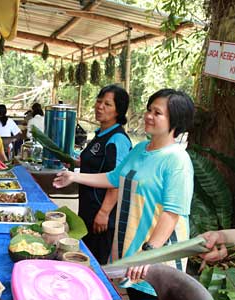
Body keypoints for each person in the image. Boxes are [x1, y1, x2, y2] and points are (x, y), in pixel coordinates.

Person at [53, 89, 195, 299]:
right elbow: (113, 178)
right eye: (149, 110)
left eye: (157, 113)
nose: (148, 116)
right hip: (133, 252)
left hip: (156, 261)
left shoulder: (177, 160)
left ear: (175, 121)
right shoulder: (140, 149)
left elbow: (172, 213)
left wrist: (149, 254)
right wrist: (74, 177)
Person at [75, 85, 132, 265]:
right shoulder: (101, 134)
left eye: (107, 104)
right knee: (84, 257)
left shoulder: (118, 139)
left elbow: (117, 178)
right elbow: (96, 164)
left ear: (118, 111)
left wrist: (104, 212)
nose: (100, 107)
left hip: (101, 214)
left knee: (96, 264)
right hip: (88, 209)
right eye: (99, 101)